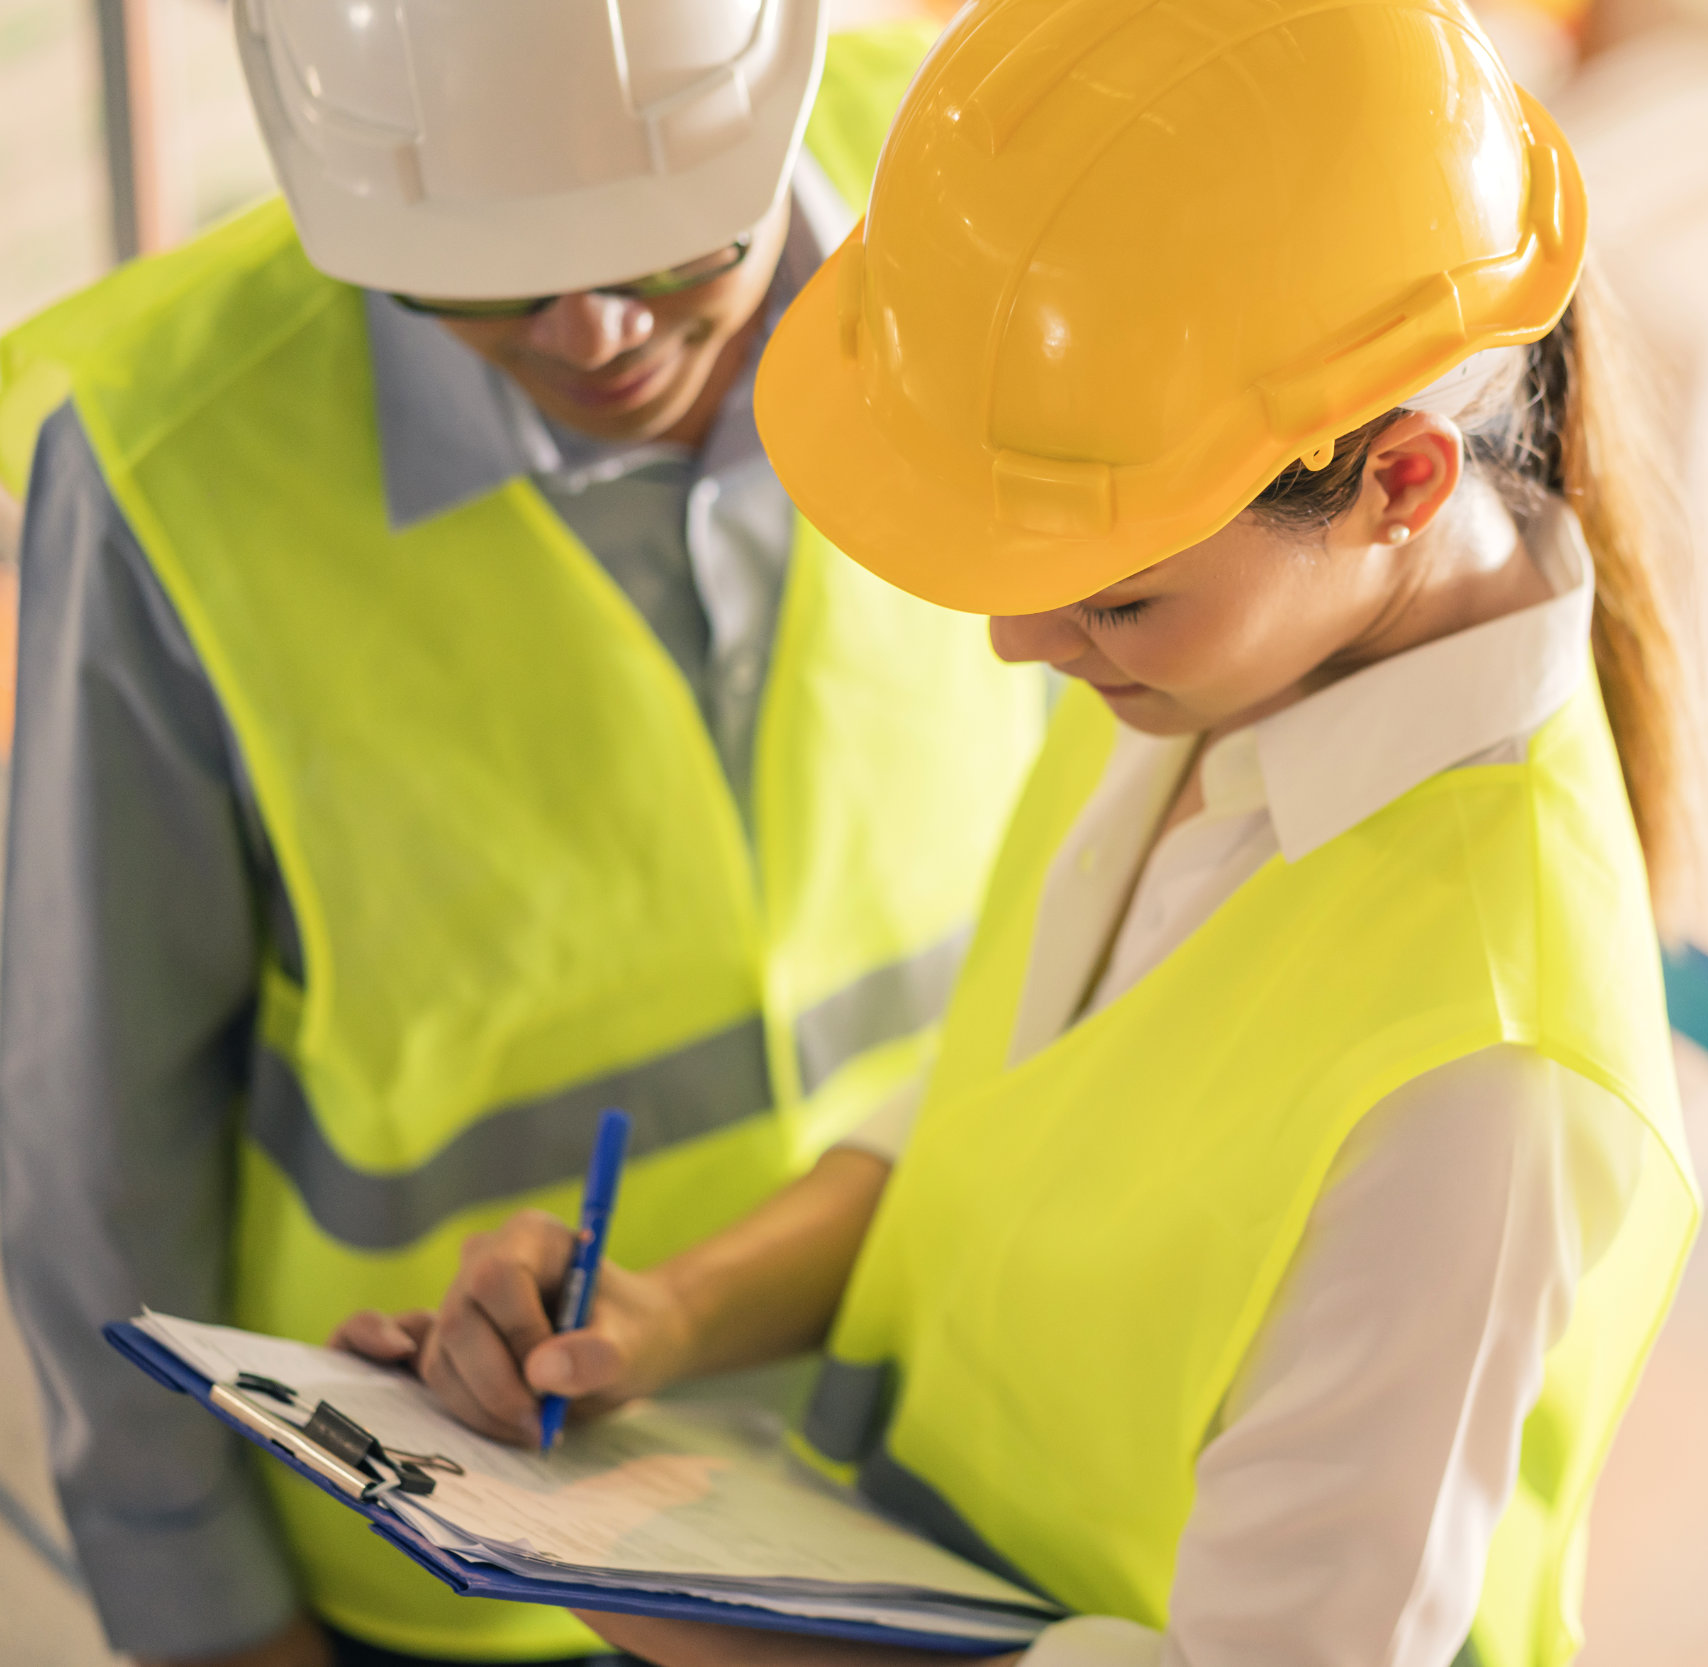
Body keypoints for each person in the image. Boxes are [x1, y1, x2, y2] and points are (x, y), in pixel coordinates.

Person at [344, 0, 1704, 1663]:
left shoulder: (1487, 1087)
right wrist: (673, 1311)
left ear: (1401, 483)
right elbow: (1015, 1106)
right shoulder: (1218, 670)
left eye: (1113, 598)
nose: (1021, 646)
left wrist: (618, 1585)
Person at [0, 5, 1040, 1667]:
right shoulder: (175, 467)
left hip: (941, 1468)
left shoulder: (991, 203)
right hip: (469, 1554)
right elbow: (93, 1144)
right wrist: (206, 1619)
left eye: (673, 245)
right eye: (490, 272)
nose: (600, 326)